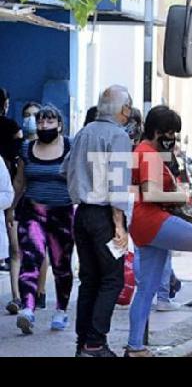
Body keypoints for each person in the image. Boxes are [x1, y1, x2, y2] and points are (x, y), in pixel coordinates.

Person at [125, 105, 192, 357]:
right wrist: (180, 196)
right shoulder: (149, 153)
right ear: (157, 130)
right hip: (152, 219)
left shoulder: (141, 150)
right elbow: (151, 193)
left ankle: (135, 346)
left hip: (141, 223)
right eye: (169, 132)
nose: (172, 137)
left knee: (147, 289)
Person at [63, 85, 133, 357]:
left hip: (82, 213)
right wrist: (119, 225)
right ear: (124, 109)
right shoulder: (118, 136)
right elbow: (117, 184)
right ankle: (94, 342)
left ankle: (84, 343)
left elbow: (65, 169)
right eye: (128, 107)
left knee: (90, 278)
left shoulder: (83, 133)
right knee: (112, 279)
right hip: (104, 214)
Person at [11, 105, 75, 334]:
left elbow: (80, 175)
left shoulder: (70, 146)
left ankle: (61, 310)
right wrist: (11, 208)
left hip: (62, 213)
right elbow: (20, 181)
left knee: (61, 264)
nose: (44, 126)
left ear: (59, 124)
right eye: (40, 122)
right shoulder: (27, 149)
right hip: (32, 211)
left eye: (49, 122)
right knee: (31, 257)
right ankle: (27, 310)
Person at [19, 101, 50, 311]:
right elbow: (19, 180)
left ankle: (40, 291)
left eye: (35, 115)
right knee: (25, 250)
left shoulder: (50, 146)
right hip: (26, 202)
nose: (31, 119)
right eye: (27, 115)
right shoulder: (22, 147)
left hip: (47, 204)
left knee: (41, 249)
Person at [0, 88, 23, 309]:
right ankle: (17, 295)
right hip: (9, 189)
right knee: (15, 247)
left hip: (7, 189)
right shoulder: (11, 127)